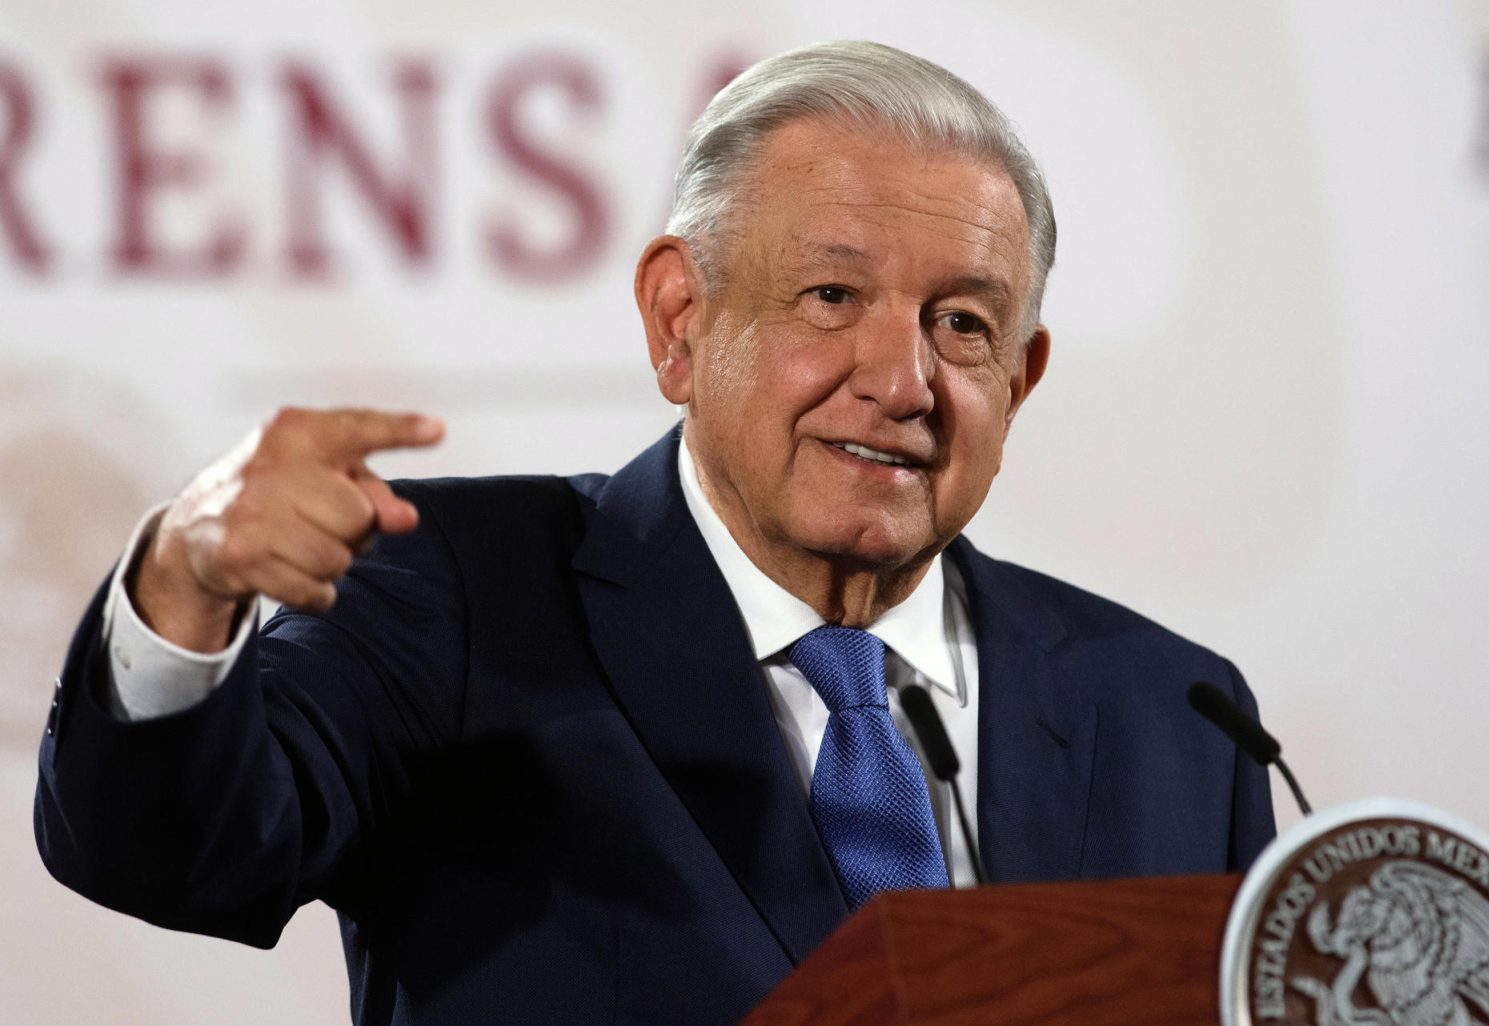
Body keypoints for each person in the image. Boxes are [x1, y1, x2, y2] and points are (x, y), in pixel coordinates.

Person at [35, 41, 1275, 1024]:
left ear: (1022, 376)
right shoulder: (455, 598)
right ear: (680, 320)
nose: (902, 380)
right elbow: (169, 852)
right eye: (831, 297)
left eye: (962, 323)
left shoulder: (1176, 716)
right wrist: (182, 593)